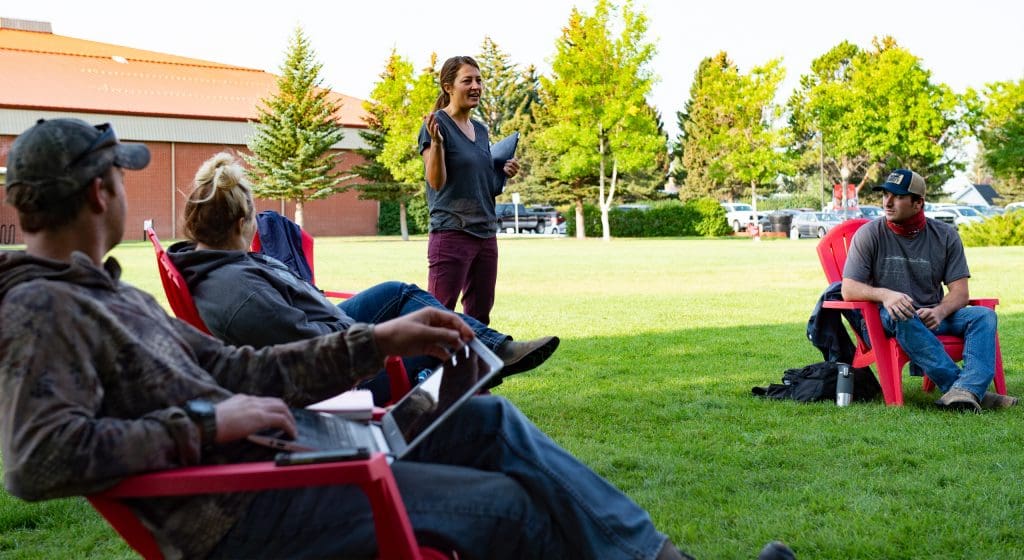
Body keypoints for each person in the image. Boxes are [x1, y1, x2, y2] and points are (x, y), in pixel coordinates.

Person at [0, 118, 698, 560]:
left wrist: (379, 342)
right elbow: (37, 460)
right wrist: (208, 421)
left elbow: (240, 366)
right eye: (121, 175)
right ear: (100, 194)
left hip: (279, 464)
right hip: (245, 514)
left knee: (485, 420)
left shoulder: (108, 295)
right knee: (506, 508)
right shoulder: (43, 309)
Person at [166, 152, 558, 402]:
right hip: (340, 377)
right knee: (444, 349)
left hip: (334, 331)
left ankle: (492, 351)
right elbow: (311, 351)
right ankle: (488, 365)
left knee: (398, 293)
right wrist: (377, 339)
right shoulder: (239, 293)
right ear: (241, 221)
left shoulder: (218, 262)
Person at [841, 169, 1017, 412]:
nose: (888, 202)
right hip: (883, 319)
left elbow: (960, 292)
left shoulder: (945, 236)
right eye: (885, 195)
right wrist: (886, 295)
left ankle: (967, 389)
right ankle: (966, 390)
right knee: (901, 313)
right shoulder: (869, 234)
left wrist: (940, 312)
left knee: (983, 316)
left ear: (918, 203)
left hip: (931, 317)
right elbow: (848, 289)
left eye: (898, 196)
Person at [419, 55, 515, 325]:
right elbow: (436, 182)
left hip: (485, 233)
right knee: (439, 315)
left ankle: (474, 367)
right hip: (452, 232)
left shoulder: (481, 131)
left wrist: (501, 173)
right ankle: (428, 368)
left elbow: (486, 188)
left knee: (480, 315)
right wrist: (437, 144)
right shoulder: (436, 124)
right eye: (467, 80)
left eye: (479, 80)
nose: (476, 86)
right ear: (448, 86)